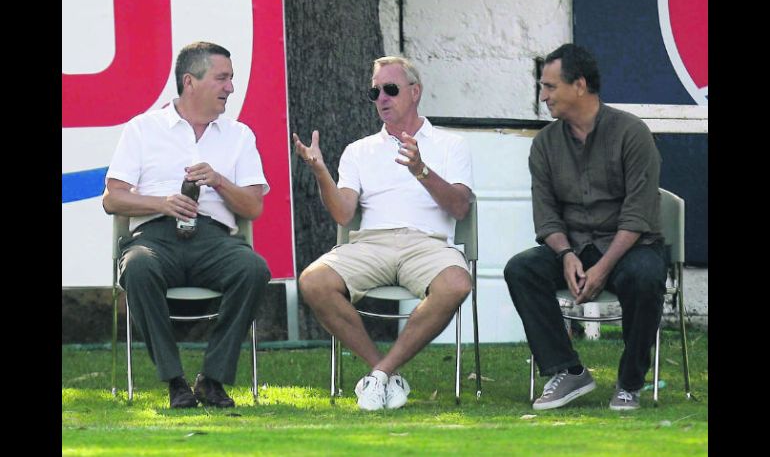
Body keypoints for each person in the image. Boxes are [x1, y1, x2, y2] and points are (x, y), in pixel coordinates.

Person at [293, 56, 474, 411]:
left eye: (390, 89)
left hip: (427, 244)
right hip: (371, 243)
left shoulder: (451, 144)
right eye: (374, 92)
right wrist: (320, 171)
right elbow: (344, 212)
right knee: (313, 281)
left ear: (415, 91)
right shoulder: (358, 150)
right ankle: (383, 374)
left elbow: (460, 208)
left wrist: (422, 170)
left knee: (457, 284)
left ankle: (380, 375)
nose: (382, 99)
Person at [102, 41, 272, 409]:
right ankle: (174, 381)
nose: (230, 87)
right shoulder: (143, 129)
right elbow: (112, 198)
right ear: (190, 81)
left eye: (231, 79)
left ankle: (211, 380)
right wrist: (160, 202)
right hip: (156, 236)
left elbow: (253, 207)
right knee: (137, 266)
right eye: (222, 78)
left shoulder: (239, 135)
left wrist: (220, 181)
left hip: (214, 239)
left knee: (253, 268)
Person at [504, 43, 667, 411]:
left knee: (645, 276)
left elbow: (638, 214)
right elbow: (546, 214)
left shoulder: (632, 132)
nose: (543, 96)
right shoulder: (545, 144)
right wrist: (564, 254)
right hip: (573, 247)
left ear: (579, 85)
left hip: (630, 247)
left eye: (549, 87)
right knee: (522, 269)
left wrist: (603, 266)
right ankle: (569, 370)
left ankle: (630, 383)